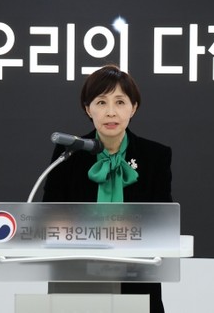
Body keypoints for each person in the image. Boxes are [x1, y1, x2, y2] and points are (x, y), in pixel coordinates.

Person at [43, 64, 173, 313]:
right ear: (88, 108)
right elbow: (49, 216)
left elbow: (162, 219)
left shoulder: (155, 156)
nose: (111, 112)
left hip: (137, 278)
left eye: (120, 102)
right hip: (76, 275)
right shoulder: (69, 153)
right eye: (101, 102)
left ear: (133, 107)